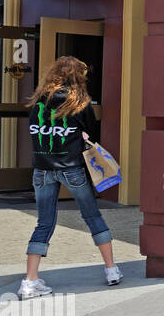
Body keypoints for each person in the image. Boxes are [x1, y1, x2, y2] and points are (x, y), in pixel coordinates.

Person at [20, 56, 122, 298]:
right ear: (78, 77)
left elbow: (36, 131)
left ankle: (29, 281)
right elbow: (90, 132)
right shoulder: (79, 103)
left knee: (44, 223)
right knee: (92, 216)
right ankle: (111, 270)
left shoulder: (38, 103)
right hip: (72, 168)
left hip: (42, 169)